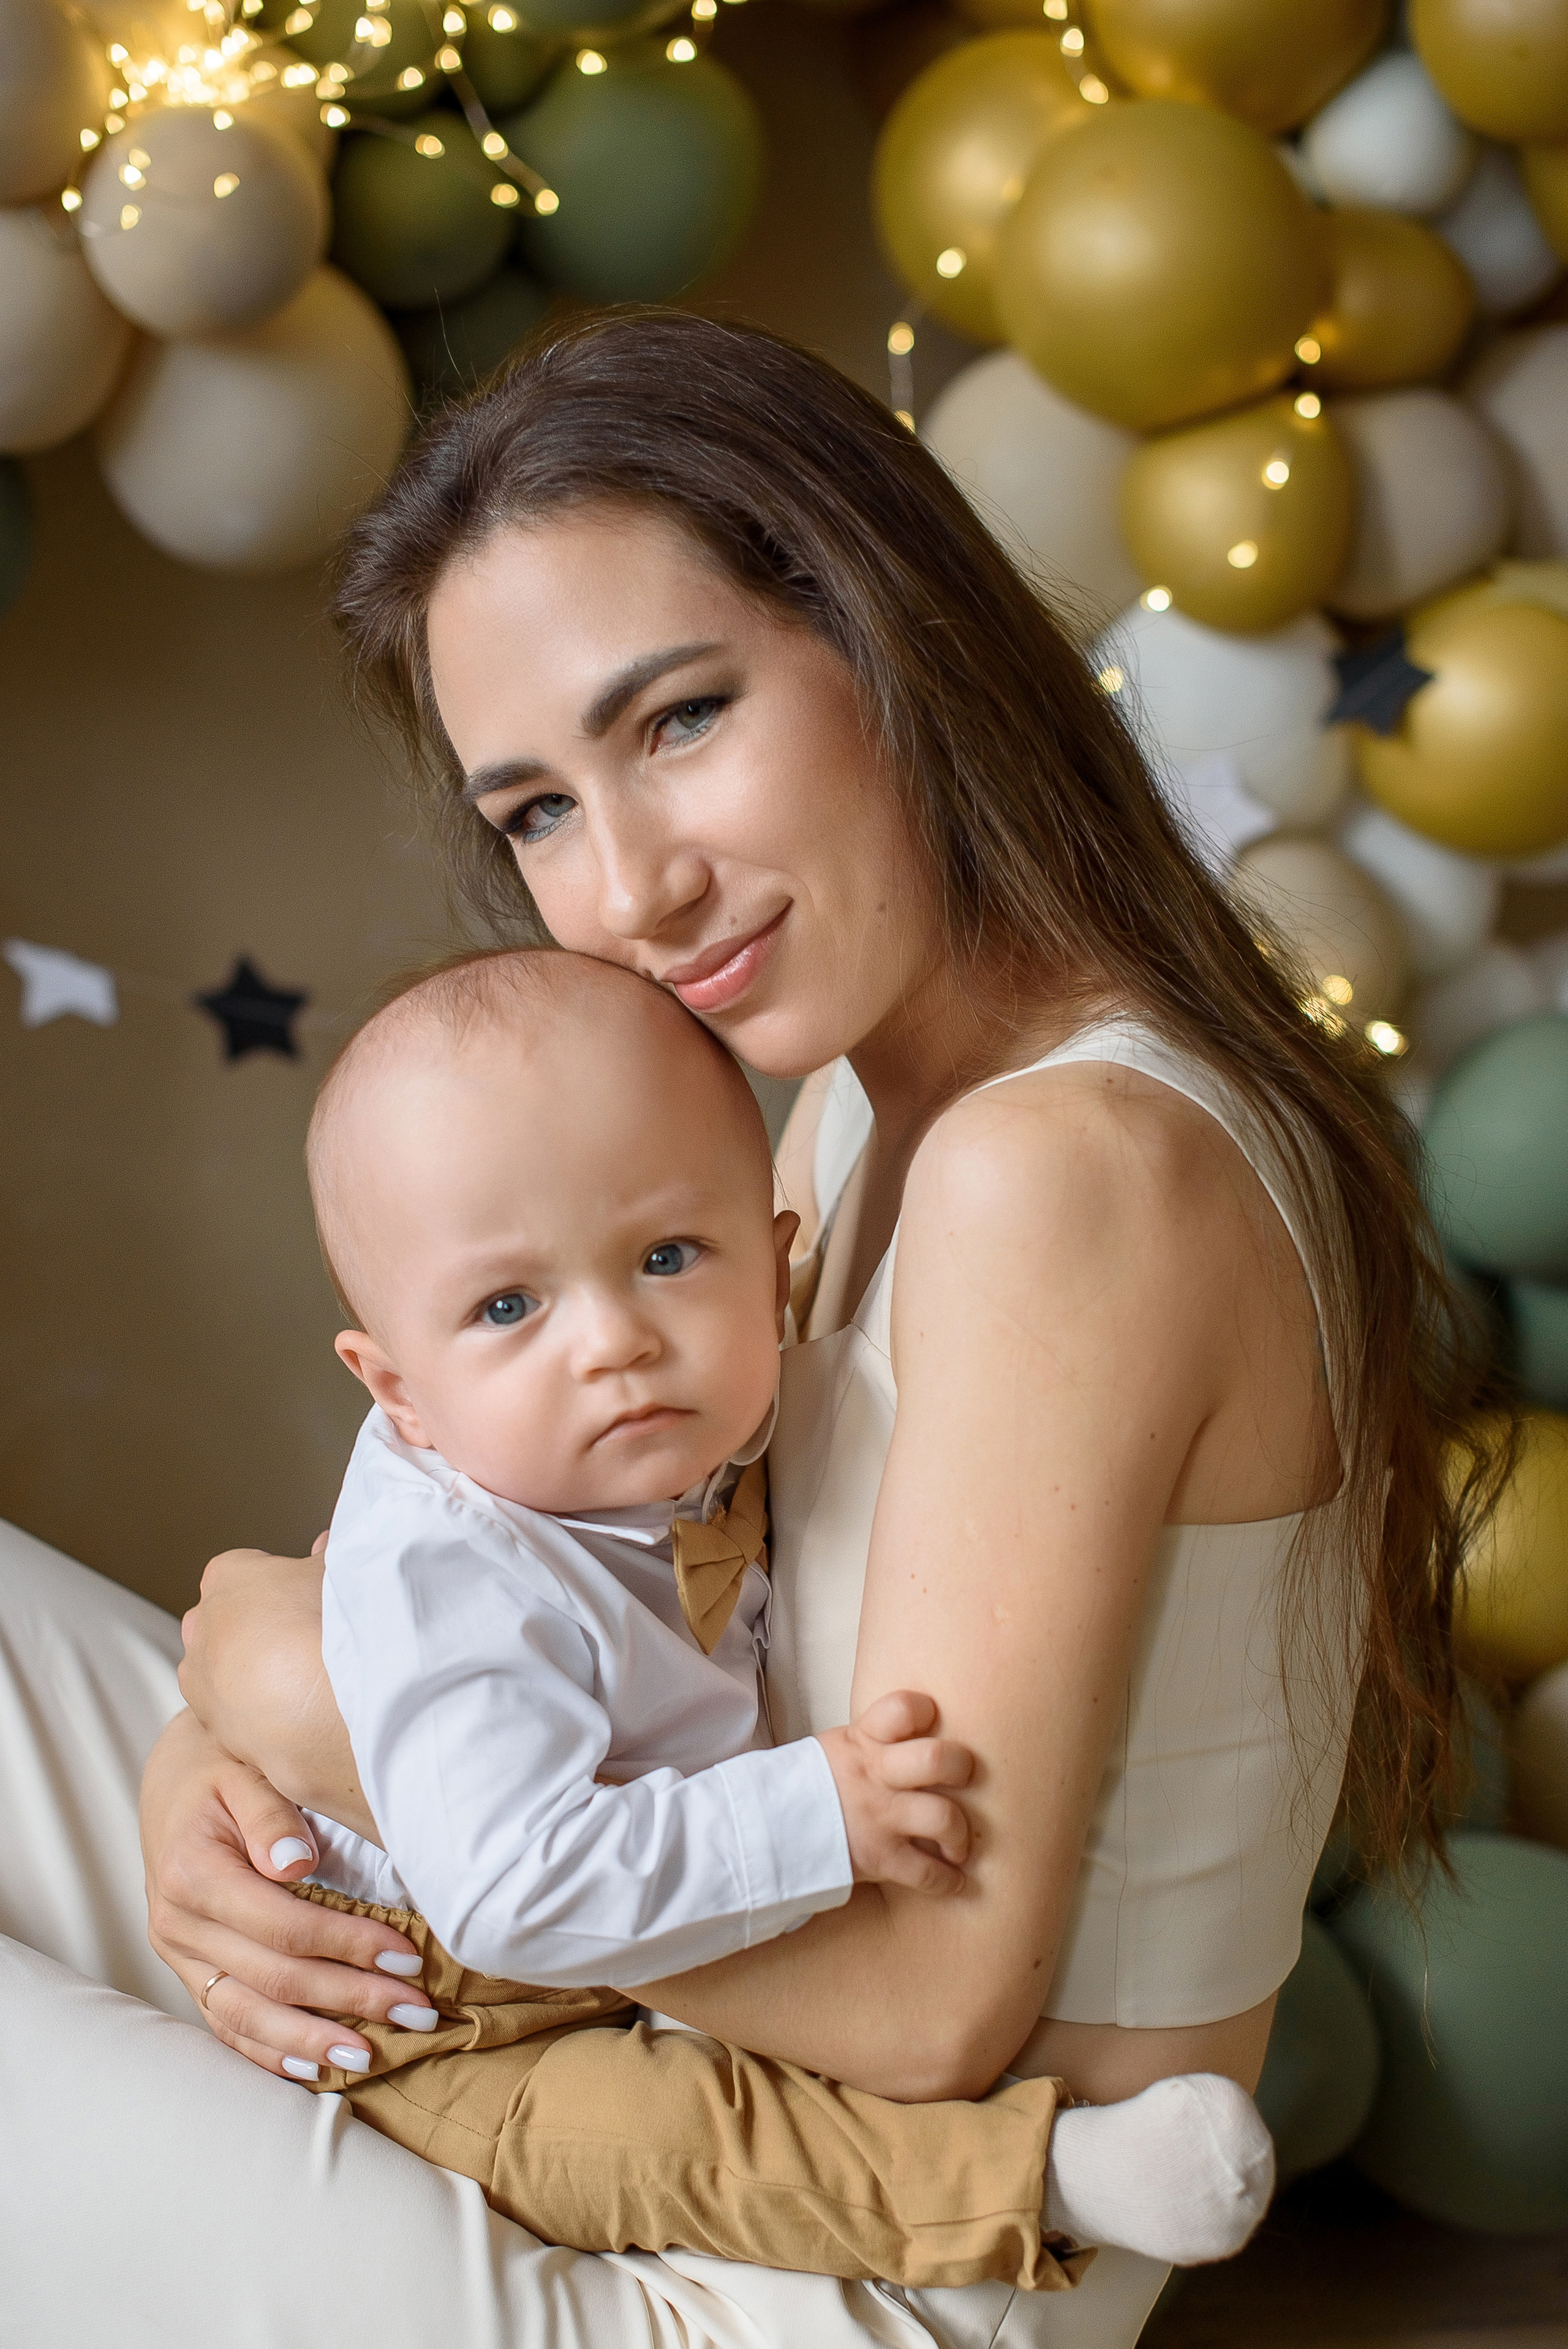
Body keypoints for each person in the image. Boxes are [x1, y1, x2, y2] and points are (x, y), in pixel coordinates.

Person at [0, 312, 1507, 2349]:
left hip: (836, 2267)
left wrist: (321, 1721)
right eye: (534, 808)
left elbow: (928, 1999)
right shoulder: (855, 1094)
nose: (628, 882)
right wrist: (215, 1780)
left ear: (892, 634)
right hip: (629, 2056)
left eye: (684, 715)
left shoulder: (1056, 1170)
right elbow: (514, 1577)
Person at [191, 937, 1271, 2285]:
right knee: (642, 2138)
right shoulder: (450, 1565)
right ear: (397, 1389)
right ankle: (1037, 2177)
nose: (612, 1341)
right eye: (508, 1304)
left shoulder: (688, 1417)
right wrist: (819, 1807)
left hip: (652, 1921)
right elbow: (513, 1892)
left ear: (772, 1265)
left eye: (666, 1254)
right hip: (442, 1993)